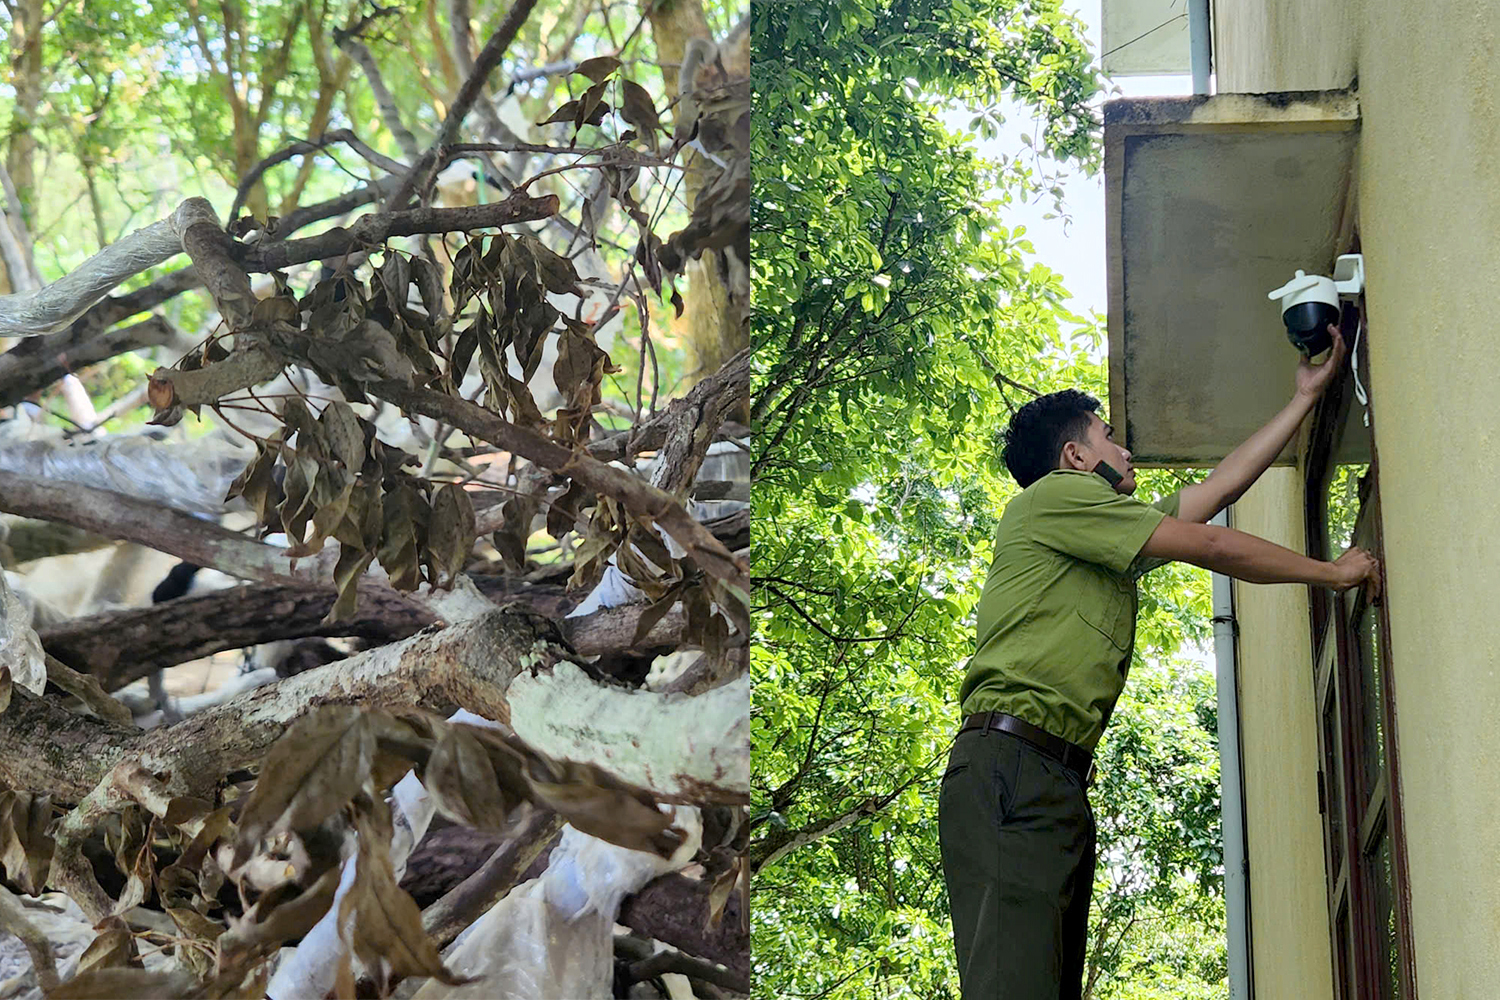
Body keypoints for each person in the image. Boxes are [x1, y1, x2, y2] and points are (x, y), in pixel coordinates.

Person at [938, 323, 1379, 999]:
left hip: (1046, 775)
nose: (1126, 448)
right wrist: (1332, 573)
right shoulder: (1054, 498)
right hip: (1015, 769)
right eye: (1108, 436)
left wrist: (1305, 398)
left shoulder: (1098, 531)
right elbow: (1214, 546)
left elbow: (1217, 492)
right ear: (1075, 457)